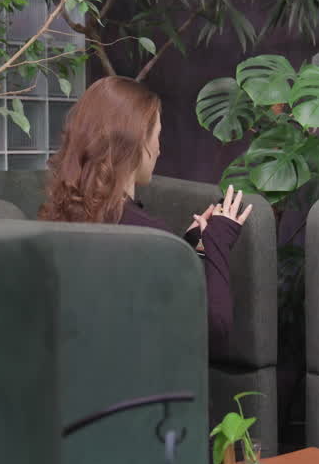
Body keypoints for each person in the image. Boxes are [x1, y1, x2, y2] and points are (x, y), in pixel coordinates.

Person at [38, 75, 252, 356]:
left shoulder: (57, 219)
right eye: (157, 136)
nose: (160, 149)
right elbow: (214, 329)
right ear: (137, 142)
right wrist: (218, 245)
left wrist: (187, 251)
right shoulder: (144, 236)